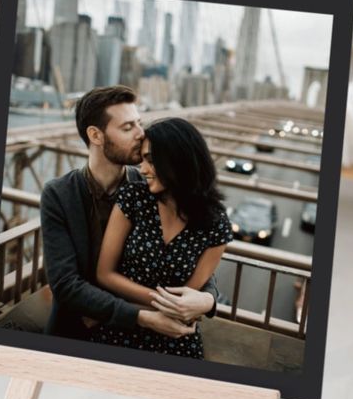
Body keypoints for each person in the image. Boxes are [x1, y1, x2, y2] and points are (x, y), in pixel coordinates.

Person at [41, 86, 220, 342]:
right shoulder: (59, 195)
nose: (141, 134)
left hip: (136, 337)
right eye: (127, 128)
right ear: (96, 135)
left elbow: (190, 250)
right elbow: (65, 285)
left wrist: (208, 298)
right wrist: (143, 316)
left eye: (139, 123)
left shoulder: (152, 185)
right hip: (74, 333)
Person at [92, 117, 233, 359]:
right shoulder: (134, 198)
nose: (142, 169)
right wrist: (160, 304)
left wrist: (201, 303)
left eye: (151, 160)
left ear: (179, 162)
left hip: (175, 338)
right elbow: (104, 274)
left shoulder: (216, 225)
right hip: (121, 326)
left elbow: (186, 301)